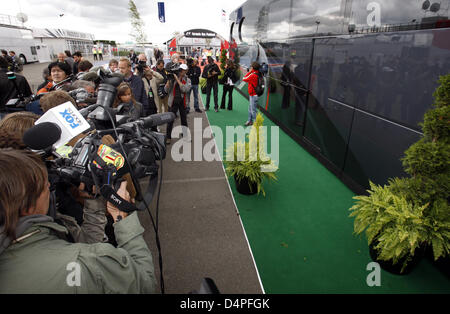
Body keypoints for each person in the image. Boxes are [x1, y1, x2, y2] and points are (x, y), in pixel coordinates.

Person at [0, 149, 156, 293]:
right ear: (27, 206)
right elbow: (144, 283)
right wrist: (122, 215)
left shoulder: (49, 229)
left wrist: (93, 203)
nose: (49, 185)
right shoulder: (87, 263)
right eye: (43, 186)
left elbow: (87, 242)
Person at [165, 63, 191, 144]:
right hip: (172, 102)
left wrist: (178, 80)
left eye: (183, 71)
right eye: (180, 70)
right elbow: (166, 91)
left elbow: (185, 89)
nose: (181, 72)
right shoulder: (172, 78)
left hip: (182, 102)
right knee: (170, 120)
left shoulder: (187, 80)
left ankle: (185, 135)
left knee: (184, 120)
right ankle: (168, 137)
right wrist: (168, 83)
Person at [243, 61, 261, 126]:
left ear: (253, 68)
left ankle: (257, 123)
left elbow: (244, 78)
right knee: (251, 108)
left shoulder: (253, 75)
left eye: (251, 67)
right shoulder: (258, 73)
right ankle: (250, 121)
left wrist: (250, 71)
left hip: (254, 95)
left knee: (253, 110)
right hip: (254, 94)